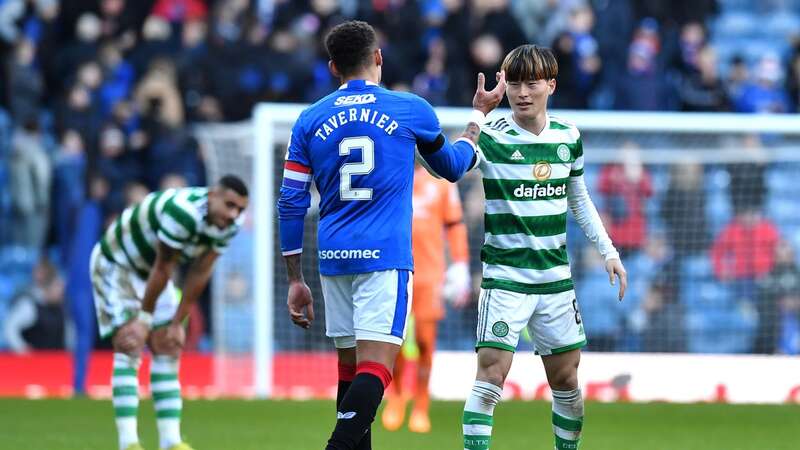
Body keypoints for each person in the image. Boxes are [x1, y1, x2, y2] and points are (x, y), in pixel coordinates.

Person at [277, 20, 505, 450]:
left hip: (334, 258)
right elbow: (452, 168)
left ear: (332, 67)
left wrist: (294, 277)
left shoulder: (309, 120)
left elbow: (290, 202)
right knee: (377, 370)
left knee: (350, 371)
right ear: (378, 57)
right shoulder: (409, 109)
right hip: (384, 257)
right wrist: (478, 118)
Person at [460, 45, 627, 450]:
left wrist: (609, 251)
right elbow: (445, 166)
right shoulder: (492, 136)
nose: (522, 92)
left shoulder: (568, 137)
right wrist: (476, 117)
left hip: (554, 281)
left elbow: (579, 198)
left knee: (567, 380)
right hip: (505, 279)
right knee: (491, 375)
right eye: (514, 83)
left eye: (531, 83)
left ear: (550, 85)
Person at [90, 175, 249, 450]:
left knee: (168, 344)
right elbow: (164, 266)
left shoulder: (229, 225)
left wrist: (178, 321)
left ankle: (170, 441)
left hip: (154, 272)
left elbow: (201, 270)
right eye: (230, 205)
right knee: (130, 341)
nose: (234, 214)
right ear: (213, 195)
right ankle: (128, 443)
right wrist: (143, 320)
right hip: (118, 264)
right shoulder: (182, 212)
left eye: (240, 209)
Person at [381, 161, 471, 433]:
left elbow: (455, 225)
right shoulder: (390, 181)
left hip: (430, 275)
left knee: (424, 341)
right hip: (396, 270)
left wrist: (461, 264)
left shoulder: (442, 185)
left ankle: (421, 405)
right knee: (392, 340)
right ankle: (396, 397)